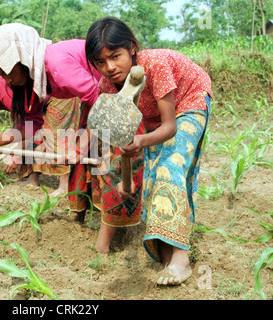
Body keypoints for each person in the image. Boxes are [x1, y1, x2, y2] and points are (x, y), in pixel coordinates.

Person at [85, 17, 212, 285]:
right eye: (99, 62)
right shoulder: (108, 86)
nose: (109, 67)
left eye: (115, 56)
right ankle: (167, 257)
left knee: (170, 166)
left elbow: (170, 127)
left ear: (131, 47)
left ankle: (181, 259)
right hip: (155, 119)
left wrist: (141, 142)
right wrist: (127, 179)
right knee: (154, 178)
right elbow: (118, 138)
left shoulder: (154, 65)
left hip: (188, 102)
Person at [0, 23, 102, 195]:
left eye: (6, 72)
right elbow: (33, 123)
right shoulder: (31, 81)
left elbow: (98, 100)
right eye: (1, 76)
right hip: (97, 105)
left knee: (106, 162)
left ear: (20, 59)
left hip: (109, 100)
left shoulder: (56, 65)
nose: (6, 81)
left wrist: (80, 146)